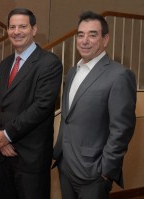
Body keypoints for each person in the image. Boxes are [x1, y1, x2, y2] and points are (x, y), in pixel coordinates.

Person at [53, 11, 137, 199]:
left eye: (92, 35)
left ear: (105, 39)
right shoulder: (73, 71)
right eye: (80, 35)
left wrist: (106, 170)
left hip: (94, 173)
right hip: (65, 165)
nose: (84, 40)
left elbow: (122, 129)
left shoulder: (119, 75)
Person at [0, 8, 63, 199]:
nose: (16, 31)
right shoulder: (5, 64)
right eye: (12, 27)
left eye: (22, 26)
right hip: (4, 155)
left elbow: (42, 106)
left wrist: (7, 134)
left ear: (33, 29)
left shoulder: (49, 63)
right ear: (7, 31)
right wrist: (0, 140)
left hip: (31, 157)